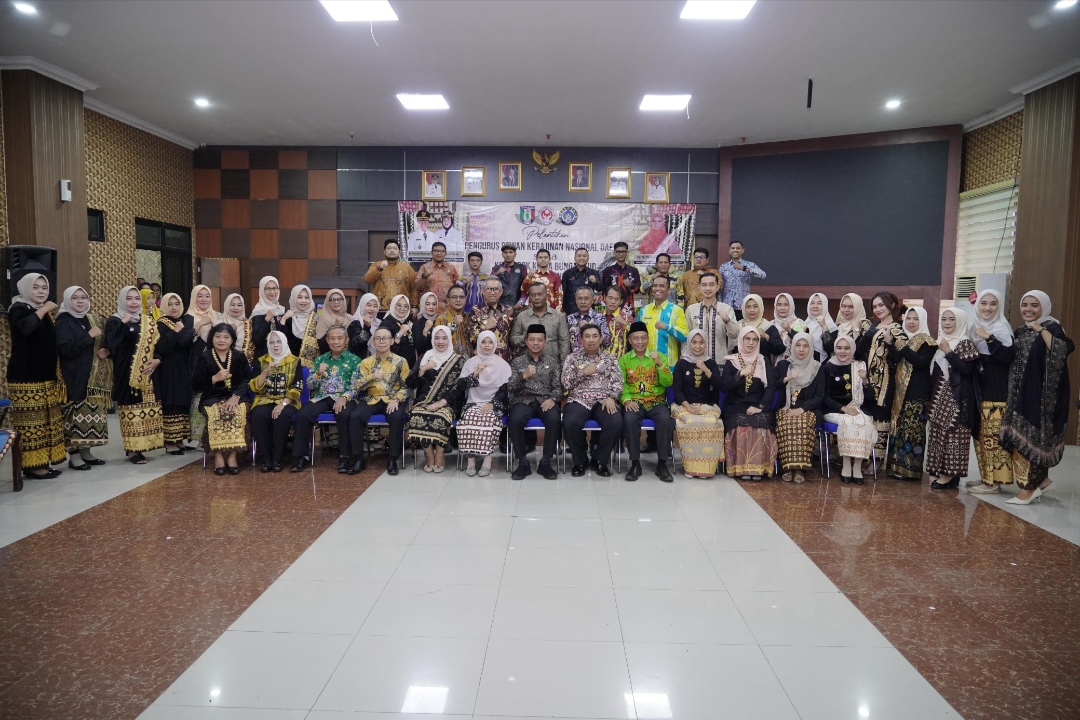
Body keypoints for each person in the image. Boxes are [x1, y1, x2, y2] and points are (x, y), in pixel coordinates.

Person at [1000, 290, 1074, 505]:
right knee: (1018, 437)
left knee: (1033, 438)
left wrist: (1041, 329)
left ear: (1044, 307)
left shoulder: (1052, 327)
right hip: (1020, 392)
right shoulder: (1021, 330)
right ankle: (1043, 482)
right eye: (1025, 305)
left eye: (1034, 305)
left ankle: (1028, 490)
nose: (1028, 309)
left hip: (1042, 396)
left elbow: (1062, 350)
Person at [7, 274, 67, 477]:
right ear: (25, 288)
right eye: (36, 287)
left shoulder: (42, 311)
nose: (41, 291)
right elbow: (25, 329)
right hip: (25, 377)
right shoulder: (18, 308)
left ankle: (42, 462)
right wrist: (43, 309)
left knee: (46, 422)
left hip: (46, 375)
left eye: (44, 287)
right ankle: (32, 466)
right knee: (32, 424)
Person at [106, 285, 165, 464]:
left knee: (147, 408)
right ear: (122, 300)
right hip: (127, 374)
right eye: (129, 298)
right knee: (132, 410)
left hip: (149, 373)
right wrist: (123, 323)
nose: (134, 302)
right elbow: (110, 344)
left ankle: (145, 445)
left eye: (137, 298)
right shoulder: (114, 320)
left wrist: (158, 359)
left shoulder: (147, 320)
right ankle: (133, 450)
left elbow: (158, 345)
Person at [290, 326, 361, 473]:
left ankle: (345, 457)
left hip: (345, 397)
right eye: (332, 339)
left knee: (344, 414)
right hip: (322, 397)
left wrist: (344, 397)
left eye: (339, 338)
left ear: (346, 340)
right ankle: (301, 456)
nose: (336, 342)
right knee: (303, 414)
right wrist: (317, 373)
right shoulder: (320, 359)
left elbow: (356, 386)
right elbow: (310, 385)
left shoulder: (355, 360)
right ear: (327, 341)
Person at [55, 286, 110, 469]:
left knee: (88, 415)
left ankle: (86, 452)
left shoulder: (89, 319)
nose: (80, 301)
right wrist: (89, 336)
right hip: (73, 376)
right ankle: (74, 456)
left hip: (91, 377)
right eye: (75, 298)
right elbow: (66, 349)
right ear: (67, 300)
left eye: (83, 298)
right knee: (73, 416)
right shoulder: (64, 321)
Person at [966, 289, 1016, 494]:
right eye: (984, 303)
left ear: (999, 306)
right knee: (981, 434)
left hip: (996, 390)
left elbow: (1008, 356)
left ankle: (995, 482)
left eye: (993, 304)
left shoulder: (1001, 328)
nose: (987, 308)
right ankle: (987, 477)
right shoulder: (973, 328)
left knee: (993, 436)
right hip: (979, 388)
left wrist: (989, 337)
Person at [923, 308, 979, 490]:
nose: (946, 323)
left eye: (951, 319)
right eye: (944, 319)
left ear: (960, 321)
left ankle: (949, 475)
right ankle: (940, 472)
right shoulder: (943, 341)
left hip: (957, 398)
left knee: (954, 436)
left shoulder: (965, 343)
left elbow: (967, 370)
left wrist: (948, 352)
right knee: (938, 435)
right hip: (940, 396)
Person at [562, 324, 624, 477]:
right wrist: (583, 373)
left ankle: (600, 460)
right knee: (569, 423)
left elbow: (618, 382)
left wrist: (612, 397)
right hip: (579, 399)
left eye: (595, 336)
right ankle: (580, 460)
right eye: (587, 336)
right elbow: (566, 383)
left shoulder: (610, 359)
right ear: (581, 340)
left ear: (601, 339)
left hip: (604, 400)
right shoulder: (572, 358)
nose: (591, 340)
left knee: (616, 422)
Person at [348, 326, 410, 475]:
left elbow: (407, 387)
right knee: (355, 416)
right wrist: (372, 377)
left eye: (385, 338)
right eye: (378, 338)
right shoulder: (366, 362)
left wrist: (397, 400)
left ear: (391, 341)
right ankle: (358, 458)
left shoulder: (401, 362)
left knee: (396, 417)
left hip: (393, 399)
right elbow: (357, 385)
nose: (381, 341)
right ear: (373, 342)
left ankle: (392, 459)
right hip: (372, 398)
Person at [192, 323, 253, 475]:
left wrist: (236, 397)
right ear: (212, 338)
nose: (221, 340)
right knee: (217, 414)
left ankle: (232, 456)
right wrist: (214, 378)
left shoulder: (239, 356)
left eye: (226, 337)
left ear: (232, 340)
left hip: (237, 396)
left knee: (236, 413)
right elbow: (196, 384)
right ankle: (218, 456)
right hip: (211, 397)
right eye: (218, 336)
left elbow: (246, 380)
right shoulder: (204, 357)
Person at [719, 327, 778, 480]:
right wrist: (740, 374)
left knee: (761, 424)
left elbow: (770, 387)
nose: (751, 343)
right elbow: (724, 386)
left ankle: (758, 469)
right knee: (740, 424)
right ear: (741, 340)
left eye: (755, 339)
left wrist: (760, 407)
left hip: (757, 405)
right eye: (747, 339)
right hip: (735, 405)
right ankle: (741, 468)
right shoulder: (731, 361)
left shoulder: (763, 361)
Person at [620, 321, 675, 482]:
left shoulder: (659, 356)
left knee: (665, 419)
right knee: (629, 418)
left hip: (656, 401)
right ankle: (635, 463)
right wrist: (626, 400)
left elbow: (668, 382)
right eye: (636, 338)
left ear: (648, 338)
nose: (640, 342)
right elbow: (621, 385)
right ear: (630, 340)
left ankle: (662, 464)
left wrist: (660, 364)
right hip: (634, 401)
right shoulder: (624, 360)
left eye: (643, 338)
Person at [819, 334, 877, 484]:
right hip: (834, 410)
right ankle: (846, 464)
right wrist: (843, 408)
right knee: (849, 422)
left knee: (866, 422)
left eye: (846, 348)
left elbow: (870, 397)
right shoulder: (827, 367)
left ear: (852, 349)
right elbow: (823, 397)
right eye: (839, 348)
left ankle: (857, 466)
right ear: (834, 349)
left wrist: (865, 381)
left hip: (856, 408)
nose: (842, 351)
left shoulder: (859, 366)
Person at [406, 326, 464, 473]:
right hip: (424, 401)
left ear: (449, 340)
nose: (440, 342)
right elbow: (410, 383)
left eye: (444, 338)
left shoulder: (458, 360)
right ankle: (429, 454)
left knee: (440, 416)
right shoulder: (425, 357)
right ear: (432, 340)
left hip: (448, 403)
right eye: (437, 338)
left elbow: (459, 388)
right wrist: (423, 369)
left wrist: (442, 402)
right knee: (417, 414)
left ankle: (439, 454)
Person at [508, 324, 562, 480]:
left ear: (545, 343)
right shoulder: (517, 362)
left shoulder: (553, 362)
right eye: (532, 339)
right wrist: (523, 376)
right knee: (515, 419)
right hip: (523, 400)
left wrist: (552, 399)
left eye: (540, 340)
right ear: (526, 341)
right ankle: (522, 462)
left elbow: (558, 387)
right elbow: (510, 387)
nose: (536, 343)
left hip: (545, 400)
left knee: (554, 418)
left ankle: (546, 462)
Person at [886, 307, 934, 481]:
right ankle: (895, 467)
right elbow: (895, 359)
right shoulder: (903, 338)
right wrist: (891, 344)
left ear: (922, 320)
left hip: (917, 393)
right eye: (908, 318)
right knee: (898, 430)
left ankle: (911, 470)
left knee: (912, 432)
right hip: (900, 392)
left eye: (915, 319)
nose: (911, 322)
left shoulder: (927, 341)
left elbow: (922, 363)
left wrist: (904, 348)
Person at [456, 331, 511, 477]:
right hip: (472, 403)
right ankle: (470, 461)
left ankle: (487, 459)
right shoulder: (470, 362)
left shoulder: (502, 364)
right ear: (478, 344)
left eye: (490, 342)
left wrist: (493, 403)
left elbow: (506, 389)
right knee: (468, 420)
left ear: (495, 344)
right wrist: (476, 372)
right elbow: (460, 386)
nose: (487, 345)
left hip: (493, 404)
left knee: (487, 420)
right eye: (483, 342)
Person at [858, 292, 906, 453]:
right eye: (874, 306)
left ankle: (877, 459)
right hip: (866, 379)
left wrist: (889, 341)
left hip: (884, 381)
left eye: (881, 305)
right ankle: (864, 456)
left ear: (892, 305)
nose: (877, 309)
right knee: (866, 417)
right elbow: (858, 352)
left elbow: (899, 357)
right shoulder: (872, 326)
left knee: (880, 417)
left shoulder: (897, 329)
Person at [672, 329, 724, 479]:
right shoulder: (681, 364)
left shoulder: (711, 363)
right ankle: (690, 467)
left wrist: (706, 369)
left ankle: (707, 468)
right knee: (690, 421)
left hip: (707, 406)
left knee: (711, 422)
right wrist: (688, 407)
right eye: (694, 342)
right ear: (689, 344)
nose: (697, 346)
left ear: (706, 344)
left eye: (701, 342)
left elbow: (719, 385)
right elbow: (677, 390)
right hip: (684, 405)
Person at [248, 330, 303, 473]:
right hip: (264, 399)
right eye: (272, 342)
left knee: (282, 416)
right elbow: (254, 387)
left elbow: (297, 388)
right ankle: (266, 459)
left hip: (288, 401)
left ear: (284, 343)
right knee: (258, 416)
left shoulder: (295, 361)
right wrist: (265, 372)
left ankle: (278, 459)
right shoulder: (261, 361)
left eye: (279, 342)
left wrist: (282, 404)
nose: (275, 345)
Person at [774, 332, 825, 483]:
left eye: (805, 346)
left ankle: (799, 469)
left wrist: (802, 409)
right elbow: (773, 385)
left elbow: (819, 395)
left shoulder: (817, 367)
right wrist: (788, 378)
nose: (801, 349)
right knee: (786, 422)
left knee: (802, 422)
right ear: (792, 347)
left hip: (809, 409)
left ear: (811, 348)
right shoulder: (783, 365)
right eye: (798, 345)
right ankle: (787, 467)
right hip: (786, 407)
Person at [155, 293, 197, 454]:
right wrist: (176, 331)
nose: (174, 307)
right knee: (171, 401)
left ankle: (178, 439)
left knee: (182, 400)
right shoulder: (161, 323)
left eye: (177, 304)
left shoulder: (183, 321)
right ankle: (169, 441)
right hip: (169, 368)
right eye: (170, 304)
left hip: (183, 367)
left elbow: (185, 343)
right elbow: (161, 347)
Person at [684, 271, 739, 363]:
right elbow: (686, 338)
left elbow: (734, 335)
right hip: (696, 363)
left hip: (720, 362)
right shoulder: (691, 310)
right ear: (699, 287)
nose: (708, 288)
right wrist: (685, 360)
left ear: (717, 287)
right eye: (704, 285)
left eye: (711, 285)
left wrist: (727, 321)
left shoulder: (727, 309)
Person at [510, 282, 570, 363]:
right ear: (529, 297)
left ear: (546, 296)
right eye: (533, 295)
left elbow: (564, 341)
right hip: (527, 364)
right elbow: (513, 339)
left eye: (540, 294)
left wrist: (564, 364)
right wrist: (526, 339)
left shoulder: (558, 316)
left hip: (552, 365)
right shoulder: (522, 316)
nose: (536, 298)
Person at [636, 276, 688, 368]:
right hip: (646, 365)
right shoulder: (644, 311)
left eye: (662, 286)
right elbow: (635, 335)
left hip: (668, 365)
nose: (657, 288)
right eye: (655, 286)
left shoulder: (677, 310)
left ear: (668, 291)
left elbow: (685, 336)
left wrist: (668, 327)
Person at [467, 278, 515, 360]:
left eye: (495, 289)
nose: (492, 292)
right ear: (483, 291)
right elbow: (471, 338)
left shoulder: (509, 311)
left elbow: (512, 338)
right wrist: (485, 327)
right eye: (489, 289)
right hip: (482, 359)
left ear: (501, 292)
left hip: (503, 358)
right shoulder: (476, 310)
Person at [363, 239, 417, 310]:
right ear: (384, 252)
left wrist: (415, 306)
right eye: (389, 248)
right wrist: (379, 268)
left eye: (395, 248)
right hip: (380, 308)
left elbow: (414, 288)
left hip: (401, 309)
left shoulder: (407, 268)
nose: (392, 250)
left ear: (399, 252)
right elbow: (367, 279)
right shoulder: (377, 265)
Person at [718, 241, 766, 313]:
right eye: (732, 248)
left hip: (743, 305)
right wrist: (720, 304)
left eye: (738, 248)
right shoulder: (723, 267)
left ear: (742, 250)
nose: (735, 250)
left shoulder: (749, 264)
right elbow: (720, 286)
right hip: (727, 305)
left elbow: (762, 275)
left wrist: (744, 268)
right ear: (729, 251)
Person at [738, 294, 785, 365]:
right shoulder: (738, 326)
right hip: (740, 366)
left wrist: (766, 336)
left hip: (762, 368)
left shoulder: (768, 327)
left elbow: (780, 349)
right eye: (748, 307)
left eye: (755, 306)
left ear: (760, 307)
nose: (752, 310)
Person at [249, 275, 287, 359]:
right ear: (262, 290)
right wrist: (267, 319)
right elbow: (257, 339)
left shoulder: (282, 310)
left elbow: (286, 337)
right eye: (268, 289)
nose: (272, 291)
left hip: (282, 356)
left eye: (274, 288)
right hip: (263, 357)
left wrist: (284, 319)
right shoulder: (258, 311)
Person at [413, 241, 459, 308]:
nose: (439, 253)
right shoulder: (425, 267)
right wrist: (424, 276)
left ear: (445, 253)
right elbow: (417, 288)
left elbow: (457, 287)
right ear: (431, 252)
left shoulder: (451, 268)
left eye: (442, 251)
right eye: (436, 251)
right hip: (429, 307)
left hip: (447, 307)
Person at [599, 241, 641, 315]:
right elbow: (604, 291)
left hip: (628, 307)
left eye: (623, 252)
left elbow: (637, 290)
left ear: (627, 252)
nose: (621, 254)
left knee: (627, 322)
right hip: (612, 306)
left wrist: (630, 284)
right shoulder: (608, 271)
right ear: (614, 253)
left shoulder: (633, 270)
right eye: (618, 252)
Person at [376, 293, 417, 366]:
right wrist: (400, 333)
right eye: (399, 305)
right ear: (393, 305)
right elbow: (384, 349)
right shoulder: (386, 324)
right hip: (391, 367)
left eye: (405, 306)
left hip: (409, 367)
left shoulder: (408, 322)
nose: (402, 309)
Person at [284, 284, 319, 367]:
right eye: (299, 297)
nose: (303, 301)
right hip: (290, 367)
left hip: (311, 368)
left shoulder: (316, 319)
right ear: (293, 298)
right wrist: (284, 319)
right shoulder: (287, 319)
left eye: (307, 298)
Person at [567, 286, 612, 352]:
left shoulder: (600, 317)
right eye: (580, 298)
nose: (583, 302)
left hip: (594, 357)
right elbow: (565, 342)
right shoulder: (570, 318)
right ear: (576, 300)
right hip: (575, 357)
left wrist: (590, 327)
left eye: (586, 298)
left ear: (592, 300)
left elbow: (607, 342)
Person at [560, 247, 602, 315]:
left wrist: (596, 282)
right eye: (579, 256)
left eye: (584, 256)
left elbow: (600, 289)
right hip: (571, 311)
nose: (582, 258)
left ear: (588, 258)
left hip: (589, 310)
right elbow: (564, 293)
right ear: (575, 258)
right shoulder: (567, 273)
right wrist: (563, 310)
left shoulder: (594, 273)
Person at [434, 285, 472, 357]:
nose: (458, 300)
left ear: (465, 299)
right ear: (448, 300)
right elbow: (439, 340)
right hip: (449, 360)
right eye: (454, 297)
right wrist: (454, 324)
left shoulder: (470, 317)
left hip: (470, 360)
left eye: (461, 297)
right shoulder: (441, 318)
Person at [315, 288, 352, 355]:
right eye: (332, 299)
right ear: (327, 302)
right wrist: (335, 327)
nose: (336, 302)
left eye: (339, 299)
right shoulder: (323, 319)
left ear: (344, 300)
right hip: (329, 357)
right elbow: (321, 344)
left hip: (348, 357)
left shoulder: (350, 318)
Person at [221, 292, 255, 364]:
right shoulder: (219, 323)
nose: (236, 308)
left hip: (243, 364)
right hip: (222, 363)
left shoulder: (249, 324)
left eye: (239, 305)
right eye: (232, 305)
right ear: (226, 305)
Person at [491, 244, 528, 309]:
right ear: (502, 254)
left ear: (515, 254)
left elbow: (526, 287)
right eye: (505, 252)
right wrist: (497, 274)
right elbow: (489, 285)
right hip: (499, 306)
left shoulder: (522, 268)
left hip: (516, 306)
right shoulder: (496, 268)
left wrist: (521, 302)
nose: (508, 255)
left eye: (510, 252)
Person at [771, 293, 805, 361]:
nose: (782, 308)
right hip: (772, 366)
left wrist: (789, 329)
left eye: (786, 305)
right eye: (779, 305)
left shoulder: (800, 324)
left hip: (795, 365)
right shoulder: (770, 324)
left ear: (791, 306)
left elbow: (805, 344)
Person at [601, 286, 633, 358]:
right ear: (604, 298)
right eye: (610, 298)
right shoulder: (598, 317)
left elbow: (637, 336)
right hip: (601, 362)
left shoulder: (627, 318)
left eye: (616, 299)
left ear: (621, 301)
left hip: (621, 361)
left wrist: (625, 323)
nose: (613, 302)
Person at [347, 292, 381, 360]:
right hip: (358, 361)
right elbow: (356, 344)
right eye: (368, 305)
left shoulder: (378, 323)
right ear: (362, 305)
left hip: (377, 361)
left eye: (375, 306)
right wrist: (366, 327)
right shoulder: (355, 323)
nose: (372, 309)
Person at [805, 293, 838, 361]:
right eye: (812, 303)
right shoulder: (806, 323)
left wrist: (824, 327)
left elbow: (830, 348)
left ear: (825, 306)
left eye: (819, 303)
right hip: (805, 362)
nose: (815, 306)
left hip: (821, 364)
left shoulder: (830, 325)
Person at [412, 291, 441, 363]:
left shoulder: (441, 320)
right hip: (425, 361)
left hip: (441, 359)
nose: (431, 307)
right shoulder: (418, 324)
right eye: (428, 304)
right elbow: (419, 348)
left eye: (434, 304)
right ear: (422, 305)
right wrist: (425, 330)